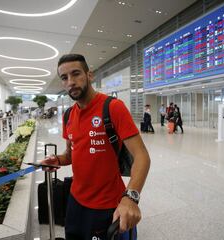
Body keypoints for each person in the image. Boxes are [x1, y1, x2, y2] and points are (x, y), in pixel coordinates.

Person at [41, 54, 151, 240]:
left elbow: (142, 156)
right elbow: (70, 153)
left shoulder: (113, 107)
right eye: (64, 77)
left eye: (76, 74)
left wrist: (131, 198)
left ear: (89, 75)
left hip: (108, 205)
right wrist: (57, 160)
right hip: (75, 203)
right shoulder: (68, 115)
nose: (71, 82)